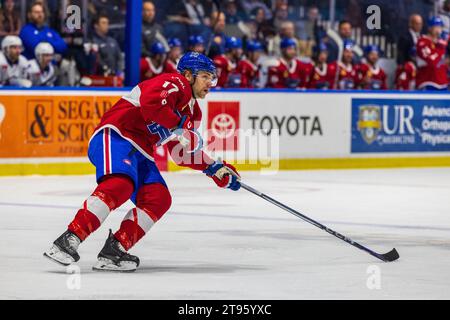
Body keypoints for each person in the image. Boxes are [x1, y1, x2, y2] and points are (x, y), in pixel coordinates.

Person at [43, 51, 241, 272]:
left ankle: (114, 250)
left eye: (212, 78)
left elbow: (180, 152)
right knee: (120, 184)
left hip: (141, 152)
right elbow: (151, 103)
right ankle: (69, 238)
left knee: (158, 198)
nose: (210, 83)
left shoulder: (193, 113)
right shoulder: (174, 82)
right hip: (117, 135)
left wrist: (214, 168)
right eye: (205, 76)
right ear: (188, 74)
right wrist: (179, 125)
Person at [416, 16, 448, 90]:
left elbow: (444, 62)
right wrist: (441, 47)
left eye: (440, 27)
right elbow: (432, 61)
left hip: (442, 82)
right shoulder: (422, 42)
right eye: (436, 26)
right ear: (430, 28)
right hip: (428, 81)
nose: (439, 30)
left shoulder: (439, 43)